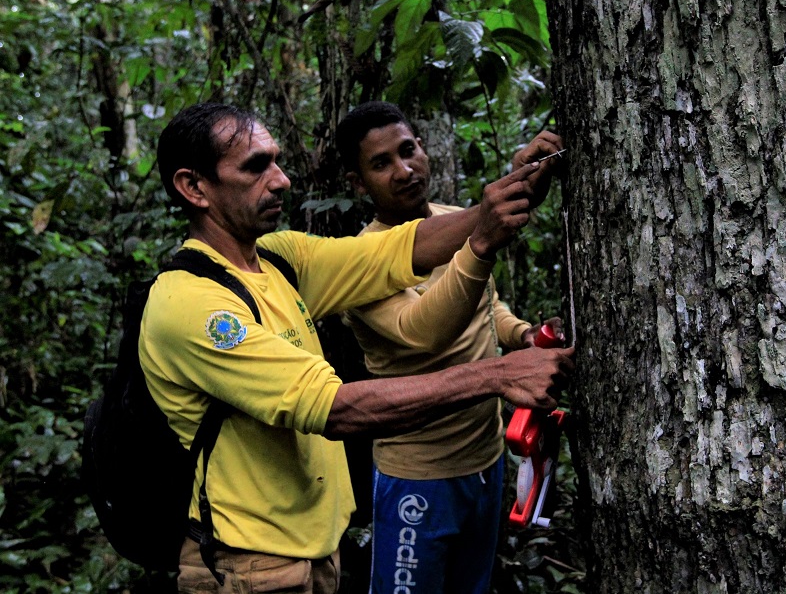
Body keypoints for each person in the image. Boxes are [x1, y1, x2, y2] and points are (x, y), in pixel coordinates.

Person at [140, 102, 574, 594]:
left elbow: (398, 249)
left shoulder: (280, 259)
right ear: (194, 187)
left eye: (276, 160)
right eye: (256, 166)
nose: (281, 180)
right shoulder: (191, 303)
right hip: (245, 563)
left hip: (316, 548)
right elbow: (336, 408)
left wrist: (506, 200)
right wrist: (499, 376)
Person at [337, 101, 564, 594]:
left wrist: (524, 335)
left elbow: (488, 306)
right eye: (381, 163)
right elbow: (420, 331)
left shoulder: (448, 219)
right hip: (418, 479)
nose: (404, 170)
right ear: (357, 182)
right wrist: (480, 243)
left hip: (485, 462)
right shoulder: (356, 261)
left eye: (408, 150)